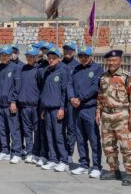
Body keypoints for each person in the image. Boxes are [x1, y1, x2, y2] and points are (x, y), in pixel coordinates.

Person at [96, 49, 131, 186]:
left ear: (120, 61)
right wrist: (98, 112)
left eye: (114, 60)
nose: (111, 63)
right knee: (108, 145)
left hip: (122, 115)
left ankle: (130, 173)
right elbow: (100, 97)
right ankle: (114, 170)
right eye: (109, 60)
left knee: (127, 146)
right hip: (107, 115)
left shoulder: (127, 77)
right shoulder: (103, 77)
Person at [69, 45, 103, 178]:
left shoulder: (97, 69)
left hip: (89, 107)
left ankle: (96, 166)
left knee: (93, 138)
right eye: (81, 56)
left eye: (85, 56)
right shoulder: (75, 69)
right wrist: (72, 98)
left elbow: (95, 87)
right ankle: (83, 164)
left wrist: (80, 98)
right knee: (80, 138)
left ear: (91, 57)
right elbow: (69, 85)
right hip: (76, 108)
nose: (83, 58)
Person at [38, 46, 72, 172]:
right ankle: (53, 159)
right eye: (49, 58)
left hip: (58, 108)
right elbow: (45, 91)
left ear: (59, 58)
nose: (51, 60)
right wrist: (44, 108)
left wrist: (62, 108)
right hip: (47, 108)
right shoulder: (47, 71)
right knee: (49, 134)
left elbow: (64, 92)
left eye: (54, 58)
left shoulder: (63, 71)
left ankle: (64, 160)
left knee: (59, 135)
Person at [0, 45, 22, 164]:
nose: (3, 57)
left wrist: (14, 101)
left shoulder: (15, 68)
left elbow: (17, 86)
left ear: (9, 56)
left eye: (5, 55)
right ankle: (5, 151)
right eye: (1, 55)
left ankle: (17, 152)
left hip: (10, 105)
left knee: (14, 129)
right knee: (2, 129)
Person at [18, 46, 43, 164]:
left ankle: (36, 153)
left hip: (36, 106)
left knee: (37, 131)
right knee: (27, 131)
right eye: (28, 56)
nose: (29, 58)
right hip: (25, 106)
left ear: (36, 57)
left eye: (32, 57)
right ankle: (29, 152)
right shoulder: (23, 69)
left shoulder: (39, 70)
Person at [62, 41, 80, 163]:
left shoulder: (77, 66)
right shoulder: (59, 64)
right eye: (66, 50)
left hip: (71, 102)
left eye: (70, 50)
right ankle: (60, 151)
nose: (67, 52)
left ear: (74, 52)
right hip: (59, 101)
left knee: (71, 129)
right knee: (59, 129)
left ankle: (69, 152)